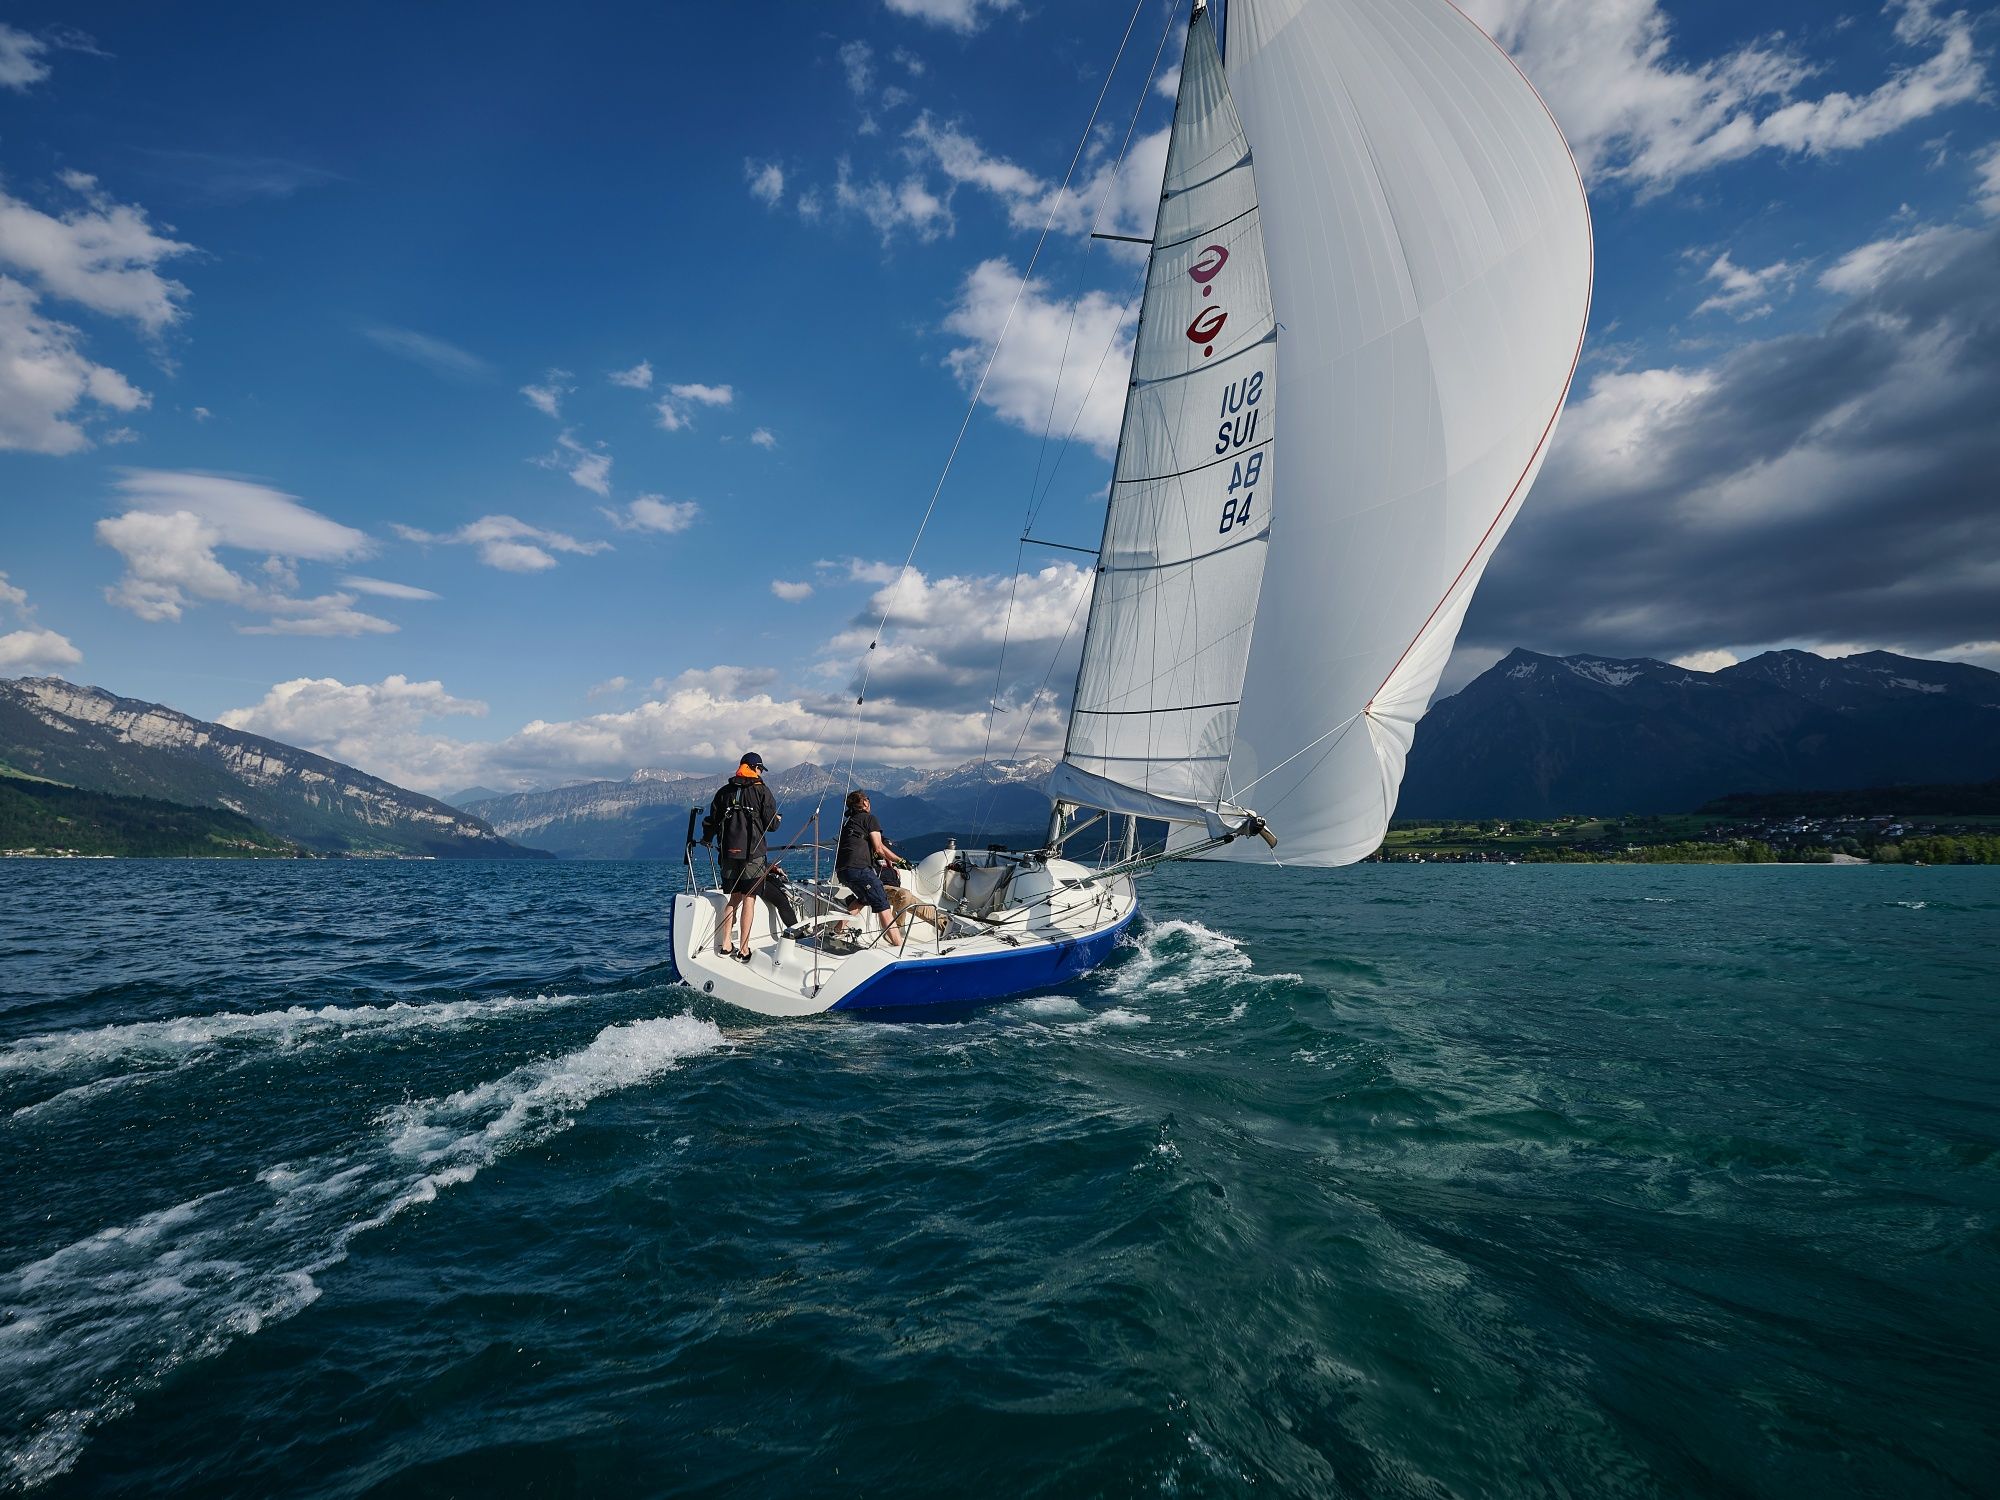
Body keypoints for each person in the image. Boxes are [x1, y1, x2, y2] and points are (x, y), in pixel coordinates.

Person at [700, 752, 781, 962]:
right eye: (761, 769)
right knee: (749, 899)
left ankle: (725, 944)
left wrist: (706, 839)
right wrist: (777, 819)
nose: (761, 773)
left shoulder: (723, 792)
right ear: (754, 768)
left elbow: (712, 821)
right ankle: (743, 949)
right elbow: (772, 825)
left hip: (727, 853)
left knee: (733, 898)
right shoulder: (762, 791)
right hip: (753, 854)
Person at [836, 789, 904, 948]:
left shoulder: (850, 821)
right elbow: (879, 848)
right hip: (859, 868)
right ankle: (899, 947)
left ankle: (837, 931)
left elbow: (878, 847)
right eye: (868, 800)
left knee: (864, 899)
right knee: (883, 904)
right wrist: (900, 861)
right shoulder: (870, 818)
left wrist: (897, 859)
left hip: (843, 871)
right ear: (865, 803)